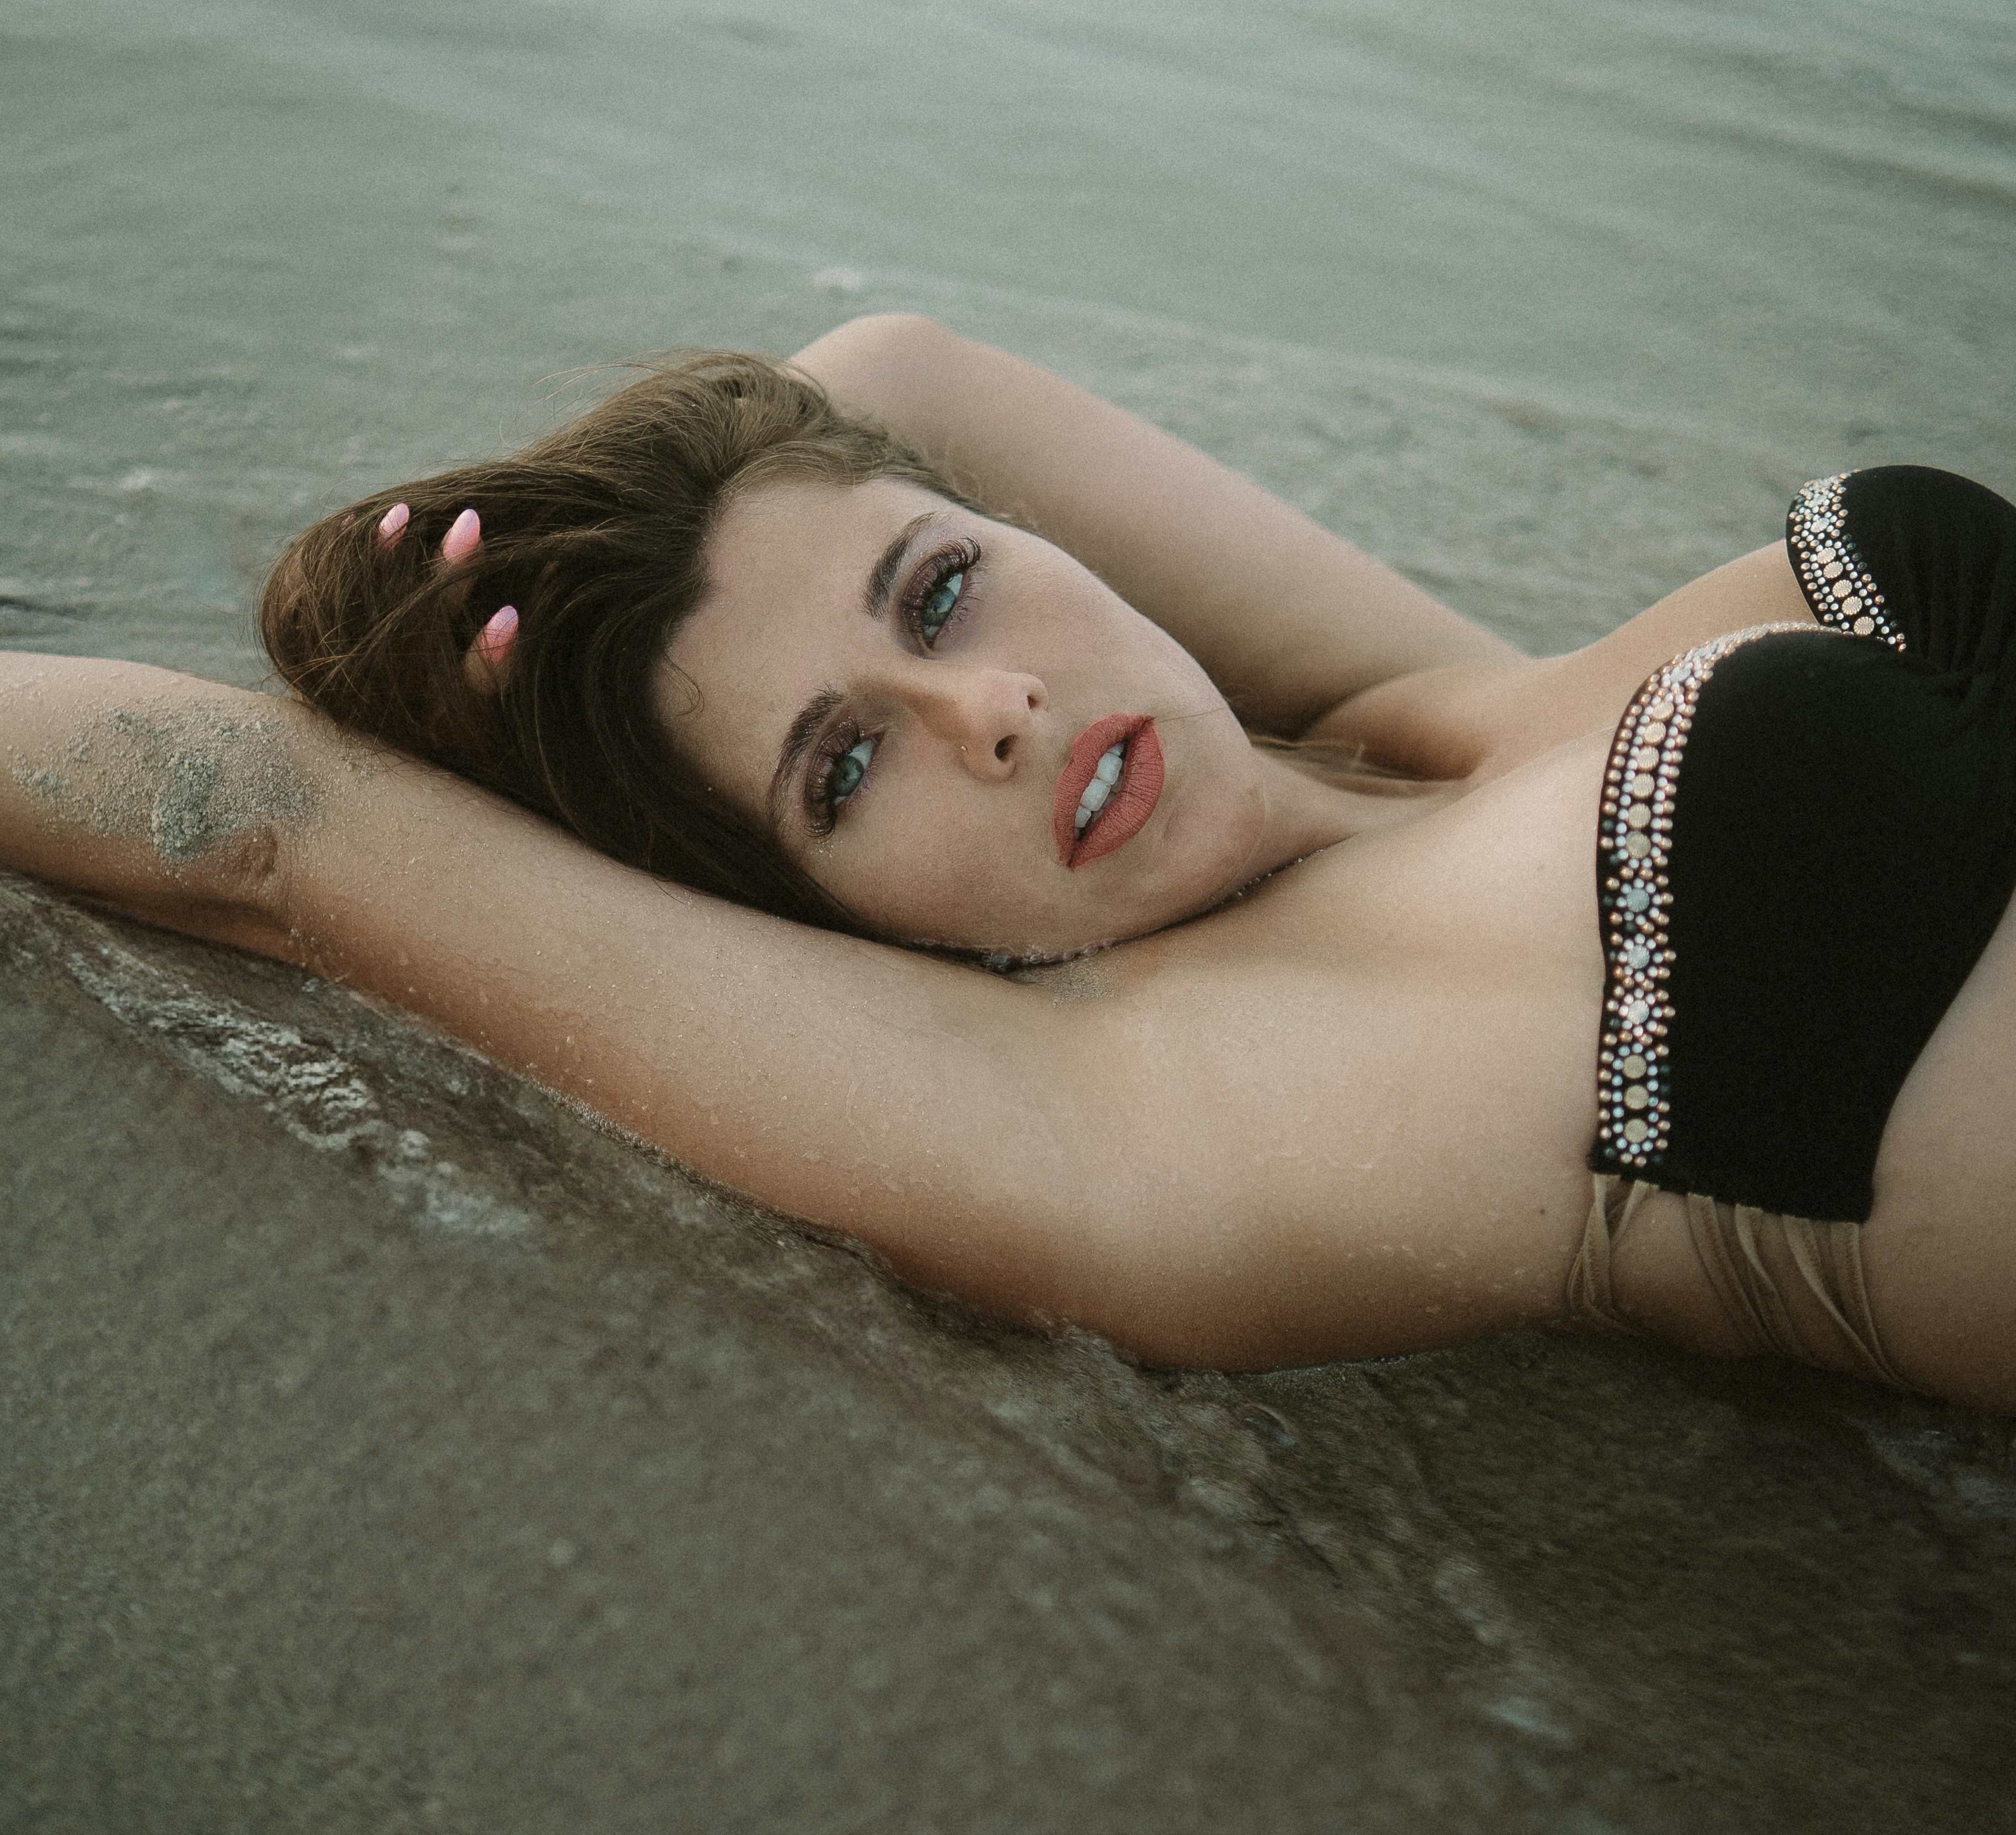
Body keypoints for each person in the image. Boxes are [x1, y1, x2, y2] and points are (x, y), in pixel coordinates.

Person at [4, 315, 2013, 1406]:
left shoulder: (1427, 713)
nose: (990, 713)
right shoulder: (1158, 1106)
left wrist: (565, 565)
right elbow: (258, 815)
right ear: (804, 921)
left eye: (944, 590)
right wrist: (493, 749)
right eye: (843, 765)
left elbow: (892, 379)